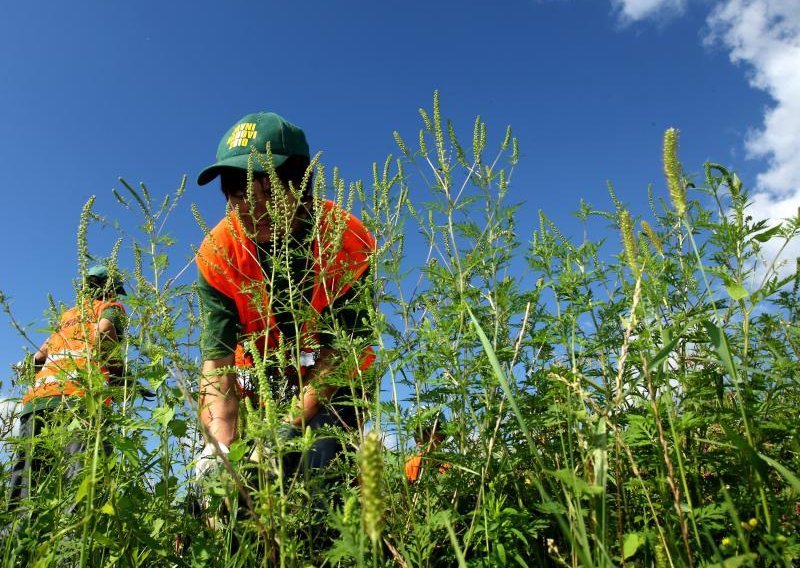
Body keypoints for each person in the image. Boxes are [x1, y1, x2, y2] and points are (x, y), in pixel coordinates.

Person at [194, 112, 376, 486]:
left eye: (269, 190)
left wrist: (282, 430)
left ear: (300, 184)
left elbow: (343, 351)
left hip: (333, 377)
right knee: (228, 484)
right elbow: (218, 361)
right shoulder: (218, 251)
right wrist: (221, 447)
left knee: (319, 463)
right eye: (240, 192)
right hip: (261, 377)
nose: (253, 206)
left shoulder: (344, 237)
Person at [8, 264, 127, 511]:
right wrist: (119, 374)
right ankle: (72, 542)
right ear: (109, 288)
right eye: (115, 290)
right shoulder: (109, 309)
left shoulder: (65, 318)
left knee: (26, 482)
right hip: (81, 399)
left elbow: (38, 358)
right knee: (80, 477)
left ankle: (16, 543)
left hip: (38, 402)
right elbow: (104, 332)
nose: (115, 295)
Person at [405, 416, 448, 483]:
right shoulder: (410, 465)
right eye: (416, 432)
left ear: (441, 436)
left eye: (425, 431)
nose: (419, 437)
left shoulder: (449, 467)